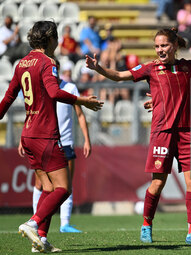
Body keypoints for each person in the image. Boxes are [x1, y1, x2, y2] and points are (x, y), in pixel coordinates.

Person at [86, 27, 191, 245]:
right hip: (162, 133)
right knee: (158, 183)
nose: (160, 50)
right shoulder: (150, 68)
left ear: (174, 46)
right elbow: (121, 76)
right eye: (157, 46)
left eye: (164, 45)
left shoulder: (187, 66)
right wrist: (98, 68)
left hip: (188, 132)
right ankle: (147, 224)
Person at [0, 21, 103, 252]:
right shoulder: (48, 62)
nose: (57, 44)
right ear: (50, 39)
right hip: (45, 135)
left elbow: (7, 98)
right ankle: (33, 223)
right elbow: (54, 92)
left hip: (27, 135)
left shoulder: (21, 64)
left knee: (47, 187)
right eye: (56, 39)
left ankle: (41, 241)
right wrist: (82, 100)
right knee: (63, 189)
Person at [18, 59, 91, 237]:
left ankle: (60, 224)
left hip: (65, 142)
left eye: (56, 70)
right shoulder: (43, 87)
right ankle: (35, 221)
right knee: (45, 185)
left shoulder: (70, 88)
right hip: (45, 140)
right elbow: (31, 113)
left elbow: (80, 115)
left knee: (64, 186)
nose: (54, 72)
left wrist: (87, 140)